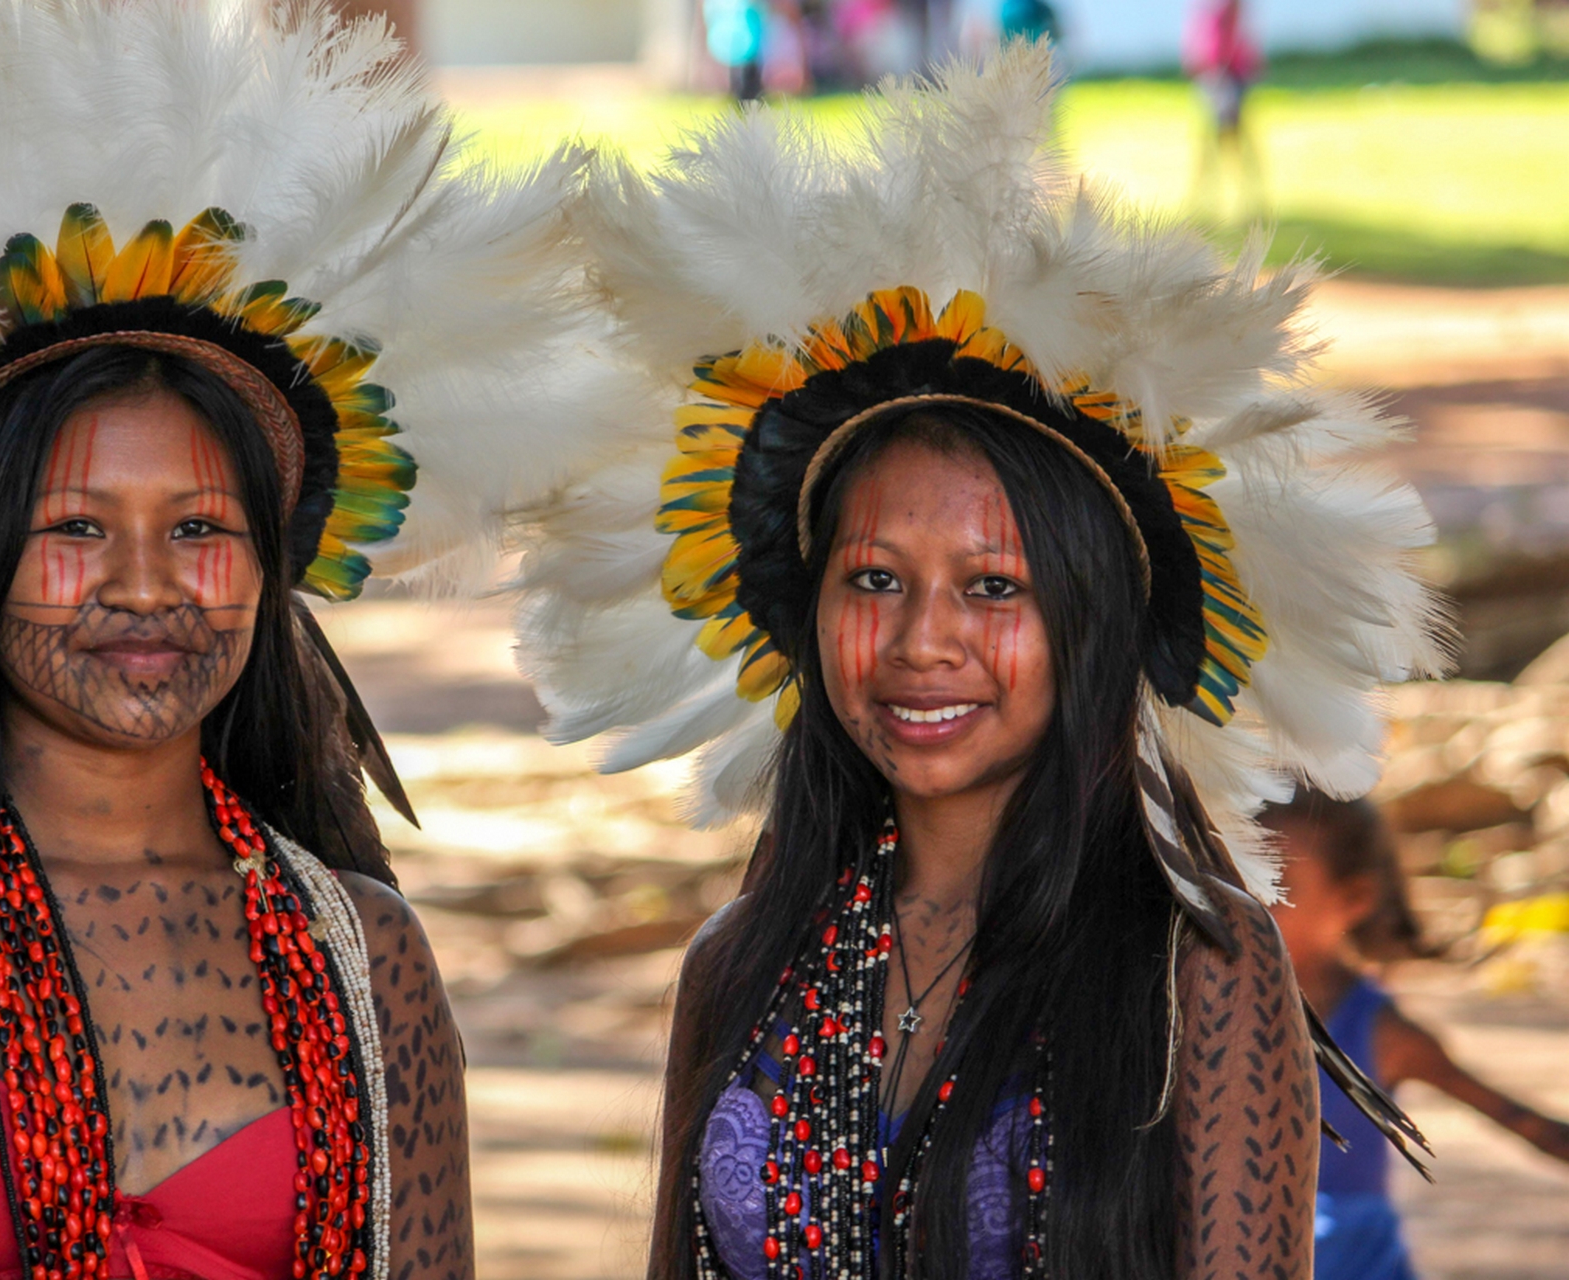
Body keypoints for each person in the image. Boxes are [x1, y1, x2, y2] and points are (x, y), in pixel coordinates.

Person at [0, 1, 611, 1276]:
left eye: (203, 526)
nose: (146, 584)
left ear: (274, 572)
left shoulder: (369, 960)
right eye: (74, 526)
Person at [514, 43, 1447, 1280]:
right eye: (875, 578)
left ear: (1092, 627)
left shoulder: (1199, 972)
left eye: (994, 586)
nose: (921, 640)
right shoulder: (736, 965)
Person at [1263, 790, 1569, 1280]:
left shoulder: (1380, 1032)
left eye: (1275, 879)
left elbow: (1521, 1121)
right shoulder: (1214, 1009)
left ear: (1353, 899)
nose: (1248, 894)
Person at [1183, 0, 1266, 221]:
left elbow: (1228, 32)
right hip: (1214, 75)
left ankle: (1249, 201)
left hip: (1224, 78)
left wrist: (1220, 71)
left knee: (1229, 141)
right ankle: (1208, 202)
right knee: (1216, 143)